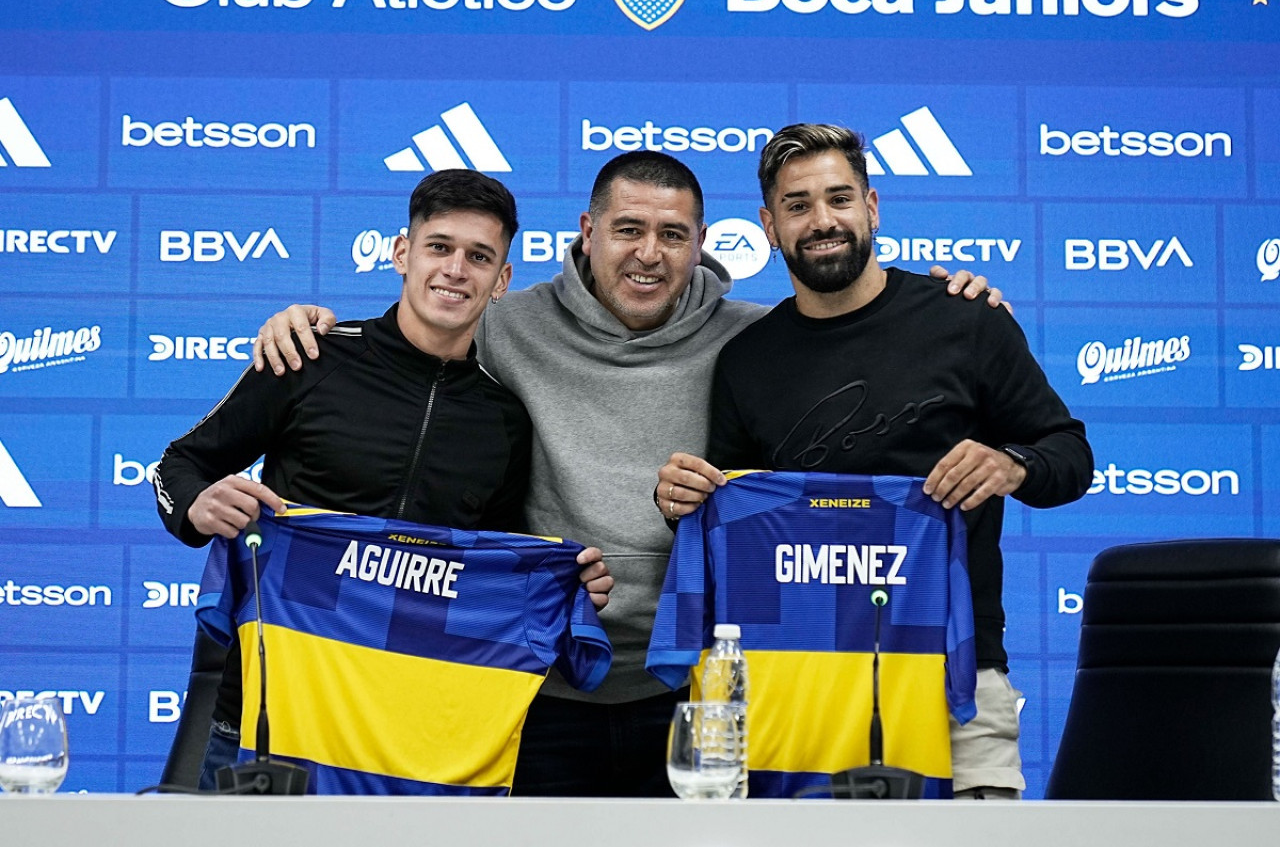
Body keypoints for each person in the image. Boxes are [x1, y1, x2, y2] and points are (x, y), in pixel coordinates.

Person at [253, 151, 1003, 796]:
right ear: (587, 231)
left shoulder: (754, 339)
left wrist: (951, 305)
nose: (650, 252)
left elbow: (858, 331)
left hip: (695, 686)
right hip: (537, 679)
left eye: (673, 235)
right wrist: (318, 325)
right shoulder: (505, 321)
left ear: (703, 243)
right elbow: (423, 319)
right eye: (629, 230)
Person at [656, 124, 1093, 799]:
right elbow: (731, 526)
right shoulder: (747, 360)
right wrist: (683, 501)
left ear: (873, 206)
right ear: (770, 227)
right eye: (798, 206)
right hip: (799, 685)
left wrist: (1012, 465)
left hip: (957, 680)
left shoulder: (967, 319)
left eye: (839, 198)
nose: (822, 220)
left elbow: (1072, 457)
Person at [154, 168, 611, 790]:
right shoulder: (308, 356)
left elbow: (496, 569)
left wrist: (567, 586)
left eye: (480, 257)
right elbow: (179, 464)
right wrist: (197, 502)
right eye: (439, 247)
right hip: (266, 725)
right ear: (402, 253)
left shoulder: (504, 419)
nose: (456, 270)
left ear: (502, 281)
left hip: (413, 737)